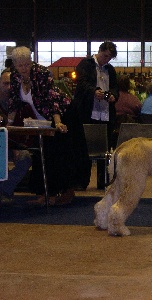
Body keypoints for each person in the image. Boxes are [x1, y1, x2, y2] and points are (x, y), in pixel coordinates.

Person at [8, 46, 75, 205]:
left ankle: (63, 193)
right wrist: (8, 126)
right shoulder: (15, 76)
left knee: (56, 153)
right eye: (20, 65)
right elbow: (14, 102)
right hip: (39, 119)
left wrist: (58, 123)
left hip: (62, 114)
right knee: (40, 153)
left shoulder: (42, 73)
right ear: (15, 64)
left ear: (31, 61)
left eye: (27, 64)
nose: (24, 68)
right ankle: (43, 194)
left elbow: (52, 100)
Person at [74, 41, 119, 189]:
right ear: (99, 51)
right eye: (105, 56)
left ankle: (102, 182)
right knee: (84, 148)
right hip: (87, 112)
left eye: (110, 58)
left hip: (105, 114)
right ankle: (81, 182)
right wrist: (94, 91)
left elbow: (115, 88)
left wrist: (113, 96)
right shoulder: (85, 64)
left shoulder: (110, 70)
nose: (107, 59)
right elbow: (81, 83)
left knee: (104, 149)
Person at [0, 68, 32, 205]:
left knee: (26, 158)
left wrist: (15, 147)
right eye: (5, 83)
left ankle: (4, 190)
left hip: (15, 145)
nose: (8, 87)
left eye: (11, 84)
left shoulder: (21, 103)